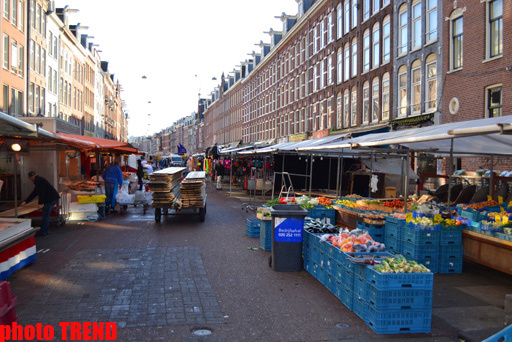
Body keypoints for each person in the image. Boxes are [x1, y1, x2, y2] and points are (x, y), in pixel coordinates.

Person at [20, 171, 60, 237]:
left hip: (51, 199)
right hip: (53, 198)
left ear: (31, 177)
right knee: (46, 214)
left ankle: (44, 231)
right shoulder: (39, 180)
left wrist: (40, 203)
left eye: (30, 179)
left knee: (45, 214)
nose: (31, 180)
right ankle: (46, 230)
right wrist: (26, 201)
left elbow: (41, 192)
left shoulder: (38, 181)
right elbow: (35, 192)